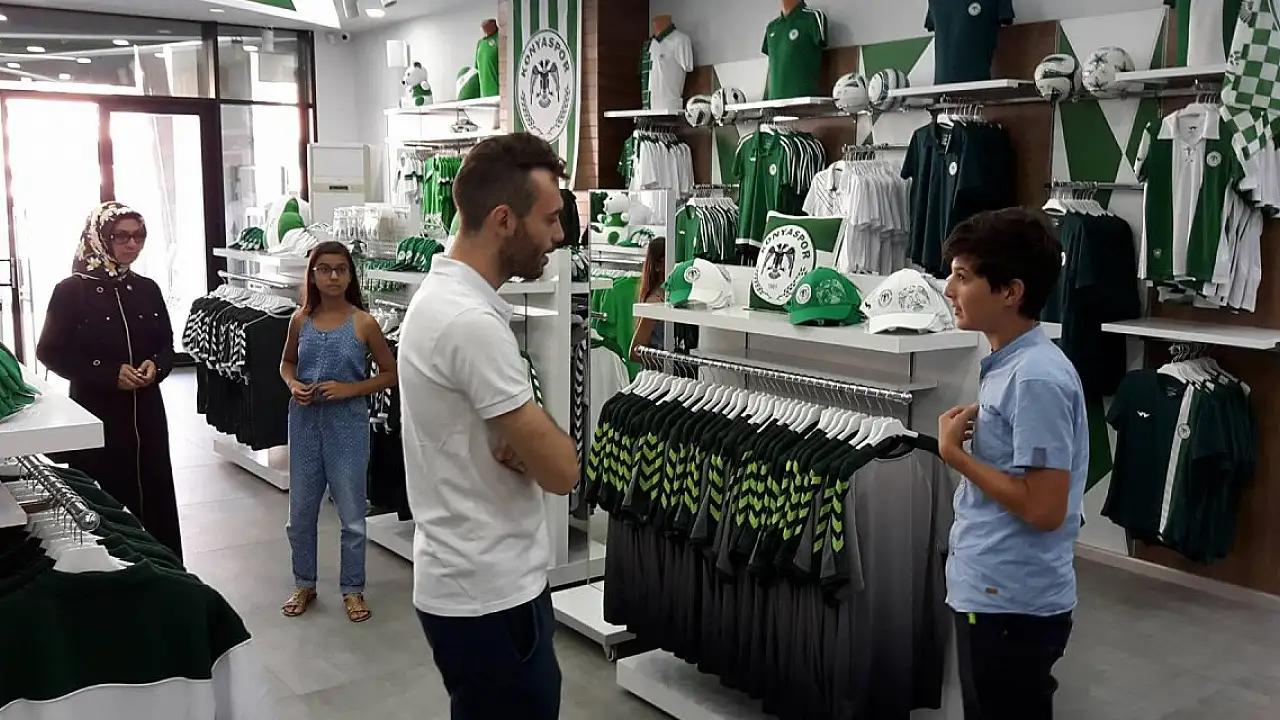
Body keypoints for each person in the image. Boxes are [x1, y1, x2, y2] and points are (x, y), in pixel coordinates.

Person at [398, 133, 579, 719]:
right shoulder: (468, 321)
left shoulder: (444, 301)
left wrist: (524, 435)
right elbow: (562, 471)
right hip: (490, 593)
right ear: (504, 220)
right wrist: (537, 441)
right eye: (549, 219)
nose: (558, 235)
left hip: (470, 579)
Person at [936, 208, 1089, 720]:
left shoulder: (1035, 378)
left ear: (1010, 291)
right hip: (995, 589)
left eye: (963, 277)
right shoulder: (1013, 365)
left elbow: (1044, 509)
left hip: (1010, 601)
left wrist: (956, 456)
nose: (949, 290)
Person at [36, 201, 182, 558]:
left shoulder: (146, 288)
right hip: (97, 412)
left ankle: (165, 569)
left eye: (139, 236)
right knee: (104, 501)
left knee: (155, 494)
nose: (132, 244)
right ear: (99, 237)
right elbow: (49, 351)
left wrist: (156, 366)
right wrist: (107, 372)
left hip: (147, 414)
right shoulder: (71, 291)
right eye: (122, 236)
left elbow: (166, 346)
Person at [279, 240, 397, 623]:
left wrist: (351, 389)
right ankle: (304, 582)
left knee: (351, 514)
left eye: (340, 269)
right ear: (312, 275)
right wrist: (292, 384)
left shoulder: (364, 323)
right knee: (300, 513)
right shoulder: (300, 320)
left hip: (347, 424)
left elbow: (391, 373)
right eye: (324, 269)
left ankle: (353, 588)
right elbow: (286, 363)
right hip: (304, 422)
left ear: (350, 275)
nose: (333, 276)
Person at [628, 236, 667, 363]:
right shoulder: (654, 302)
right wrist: (666, 361)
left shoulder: (669, 297)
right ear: (658, 265)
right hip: (658, 372)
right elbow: (635, 353)